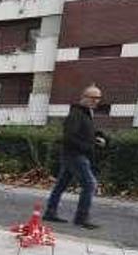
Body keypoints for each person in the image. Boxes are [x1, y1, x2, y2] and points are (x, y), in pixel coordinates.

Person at [43, 84, 108, 230]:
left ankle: (50, 212)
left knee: (61, 185)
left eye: (98, 98)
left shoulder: (86, 114)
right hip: (75, 156)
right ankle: (81, 218)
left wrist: (98, 137)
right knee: (90, 185)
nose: (96, 100)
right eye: (93, 97)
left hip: (75, 155)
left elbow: (88, 132)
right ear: (84, 98)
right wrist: (89, 145)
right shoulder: (76, 114)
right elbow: (69, 137)